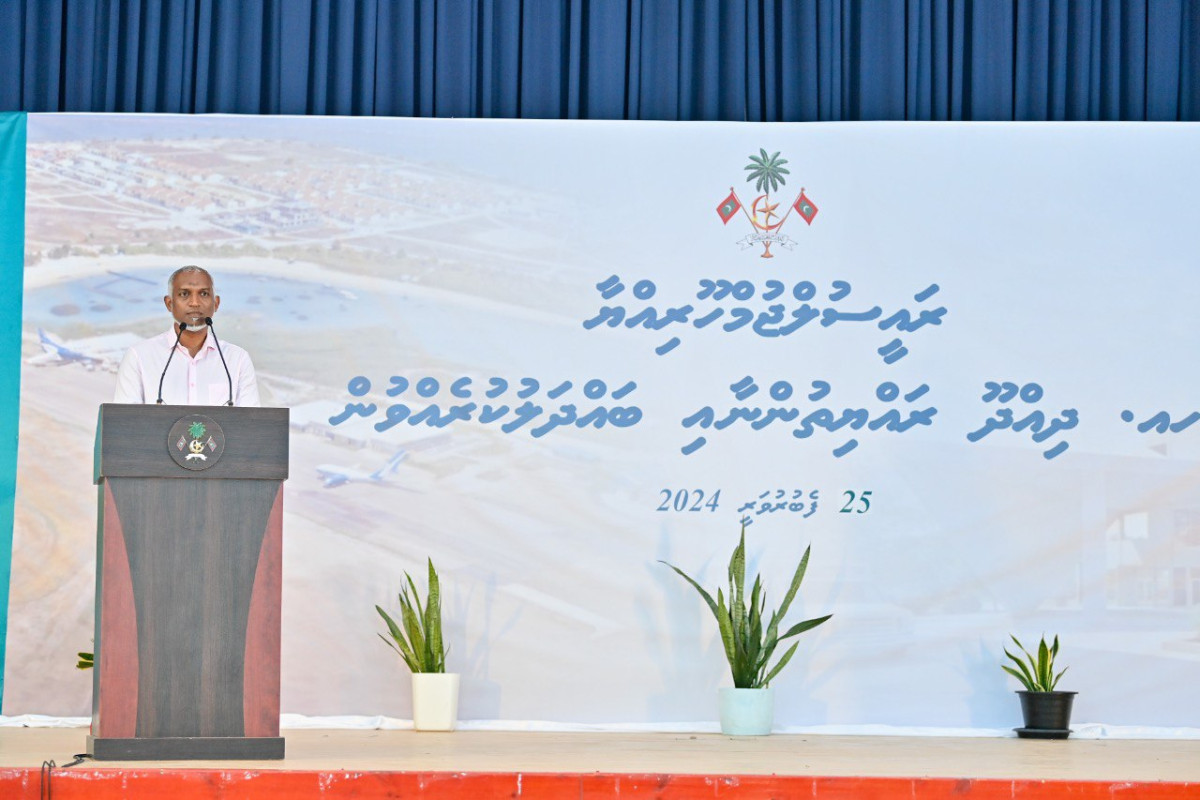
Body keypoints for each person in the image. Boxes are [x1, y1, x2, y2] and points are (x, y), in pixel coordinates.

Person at [113, 266, 260, 406]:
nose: (194, 303)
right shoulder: (139, 356)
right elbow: (126, 424)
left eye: (203, 294)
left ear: (216, 303)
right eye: (184, 294)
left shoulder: (237, 359)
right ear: (169, 303)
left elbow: (251, 424)